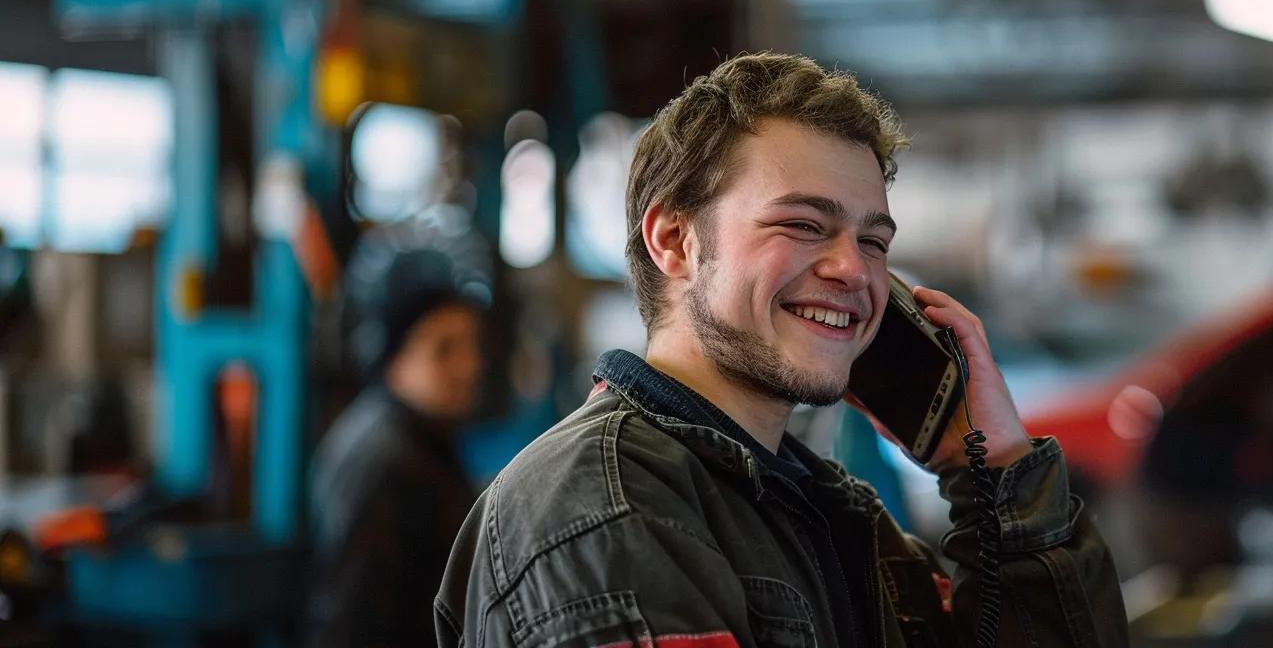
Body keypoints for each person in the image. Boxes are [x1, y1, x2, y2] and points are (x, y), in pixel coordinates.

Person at [436, 52, 1125, 647]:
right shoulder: (603, 510)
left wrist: (995, 469)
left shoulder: (834, 519)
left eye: (874, 241)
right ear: (674, 242)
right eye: (802, 224)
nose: (855, 271)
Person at [308, 244, 488, 648]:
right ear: (392, 357)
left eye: (470, 344)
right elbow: (351, 627)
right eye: (444, 349)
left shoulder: (424, 440)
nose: (470, 366)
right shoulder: (384, 464)